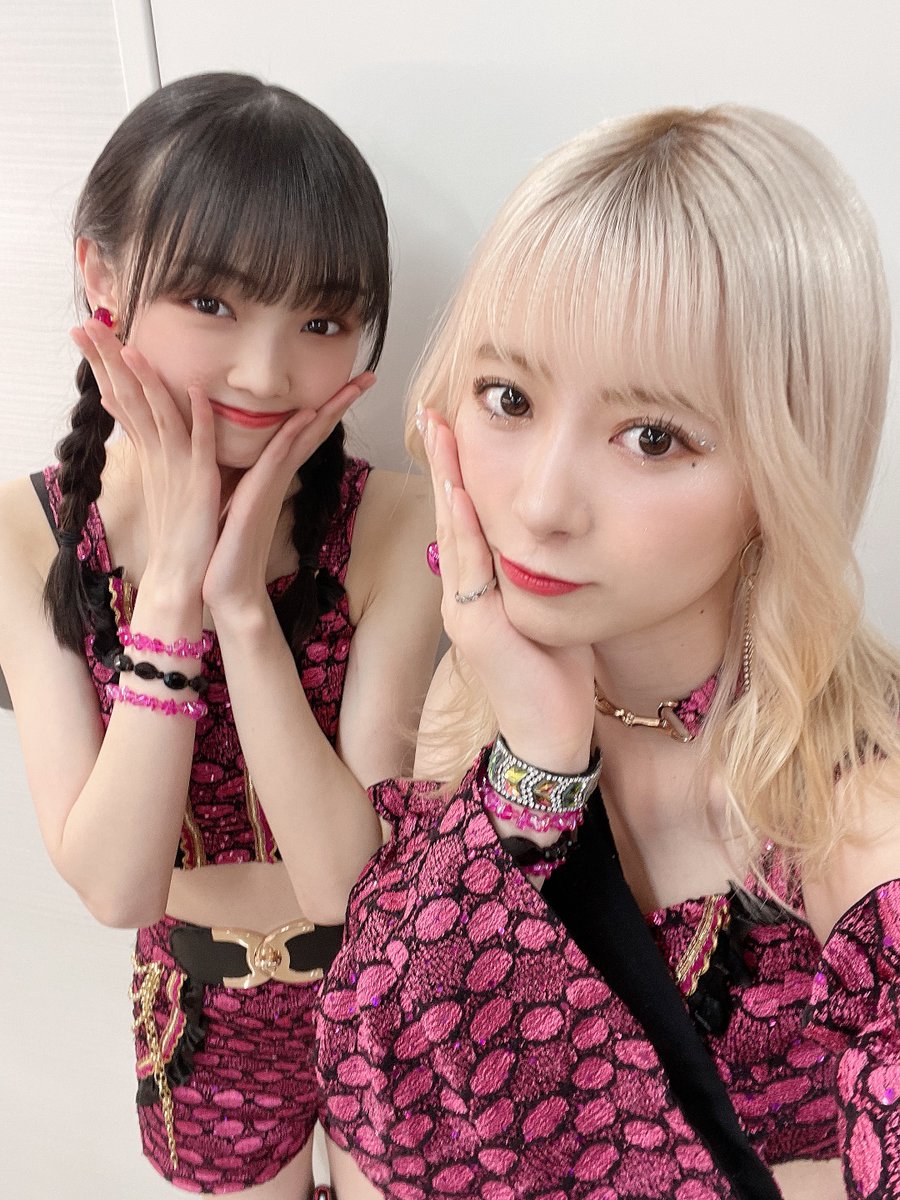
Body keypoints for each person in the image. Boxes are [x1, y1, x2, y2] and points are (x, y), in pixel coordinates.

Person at [313, 105, 900, 1199]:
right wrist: (537, 762)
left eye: (652, 437)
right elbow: (378, 1109)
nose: (541, 504)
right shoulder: (479, 702)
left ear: (787, 467)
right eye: (509, 399)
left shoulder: (860, 816)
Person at [0, 72, 442, 1197]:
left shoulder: (396, 526)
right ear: (102, 275)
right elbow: (116, 886)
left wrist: (243, 609)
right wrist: (172, 592)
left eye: (321, 322)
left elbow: (347, 881)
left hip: (392, 992)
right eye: (212, 302)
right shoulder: (24, 533)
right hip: (199, 1015)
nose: (265, 371)